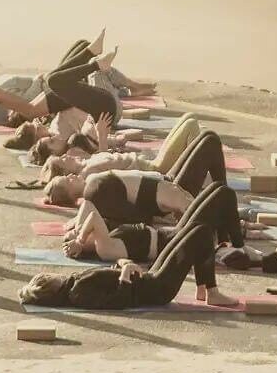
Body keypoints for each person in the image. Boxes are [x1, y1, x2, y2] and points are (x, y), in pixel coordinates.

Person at [18, 219, 239, 310]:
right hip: (156, 289)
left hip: (148, 278)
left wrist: (121, 264)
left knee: (194, 230)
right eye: (49, 278)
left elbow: (107, 282)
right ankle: (211, 291)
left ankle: (204, 288)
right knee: (201, 232)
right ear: (52, 287)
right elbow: (117, 301)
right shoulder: (77, 294)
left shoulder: (74, 284)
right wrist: (124, 273)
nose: (53, 275)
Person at [42, 129, 231, 216]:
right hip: (168, 185)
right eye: (67, 181)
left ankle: (222, 198)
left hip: (165, 180)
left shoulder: (92, 179)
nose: (70, 176)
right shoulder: (95, 190)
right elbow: (130, 213)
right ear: (71, 196)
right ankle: (223, 200)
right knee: (210, 141)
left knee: (207, 137)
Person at [64, 180, 246, 264]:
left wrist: (78, 233)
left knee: (217, 191)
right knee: (223, 194)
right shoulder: (104, 249)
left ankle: (233, 241)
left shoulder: (107, 240)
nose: (83, 230)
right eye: (81, 233)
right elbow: (93, 217)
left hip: (171, 234)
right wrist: (79, 240)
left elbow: (87, 206)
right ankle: (238, 245)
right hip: (174, 241)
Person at [39, 113, 200, 182]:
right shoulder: (87, 174)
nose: (65, 156)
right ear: (66, 173)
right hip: (156, 168)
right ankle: (200, 169)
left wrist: (102, 134)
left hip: (150, 162)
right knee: (191, 124)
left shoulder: (86, 165)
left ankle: (198, 164)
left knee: (189, 117)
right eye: (62, 161)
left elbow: (105, 158)